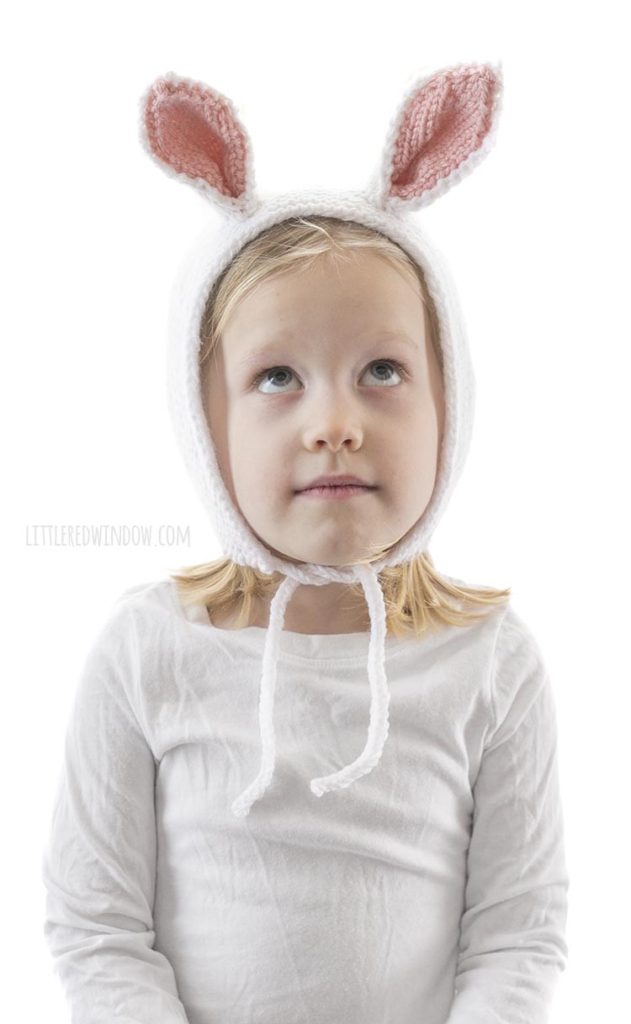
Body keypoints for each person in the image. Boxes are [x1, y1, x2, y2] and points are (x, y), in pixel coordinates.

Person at [40, 62, 569, 1023]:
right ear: (208, 424)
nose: (334, 422)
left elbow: (515, 933)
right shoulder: (148, 648)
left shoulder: (492, 661)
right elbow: (98, 928)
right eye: (277, 378)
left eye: (381, 369)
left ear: (447, 401)